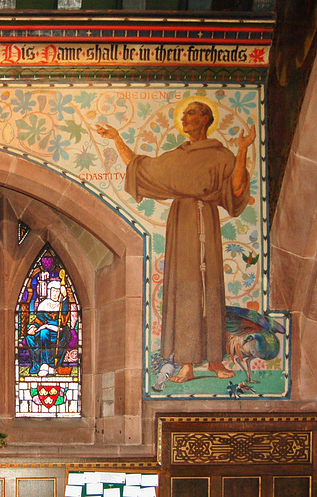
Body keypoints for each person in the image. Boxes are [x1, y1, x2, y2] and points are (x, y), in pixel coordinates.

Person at [96, 100, 256, 383]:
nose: (185, 118)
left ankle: (215, 360)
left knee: (212, 289)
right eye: (184, 114)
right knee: (185, 290)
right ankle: (186, 362)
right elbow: (140, 168)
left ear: (206, 118)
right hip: (181, 223)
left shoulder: (220, 155)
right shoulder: (177, 156)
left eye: (191, 113)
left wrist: (242, 149)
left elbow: (236, 187)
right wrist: (117, 139)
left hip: (207, 218)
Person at [25, 280, 72, 376]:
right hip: (44, 330)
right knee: (29, 338)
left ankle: (47, 365)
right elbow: (39, 320)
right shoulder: (44, 304)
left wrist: (65, 297)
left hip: (58, 332)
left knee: (44, 332)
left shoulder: (62, 304)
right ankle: (39, 365)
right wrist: (33, 327)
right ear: (49, 291)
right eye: (53, 291)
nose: (55, 293)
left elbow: (63, 320)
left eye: (58, 291)